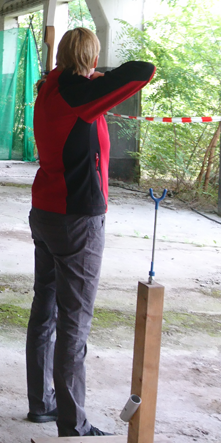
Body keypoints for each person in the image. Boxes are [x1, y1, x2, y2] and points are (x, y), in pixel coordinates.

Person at [25, 27, 155, 437]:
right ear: (90, 59)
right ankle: (73, 422)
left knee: (45, 310)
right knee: (74, 322)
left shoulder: (49, 86)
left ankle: (41, 404)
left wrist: (87, 73)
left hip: (46, 210)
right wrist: (94, 76)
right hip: (76, 218)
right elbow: (143, 70)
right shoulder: (80, 95)